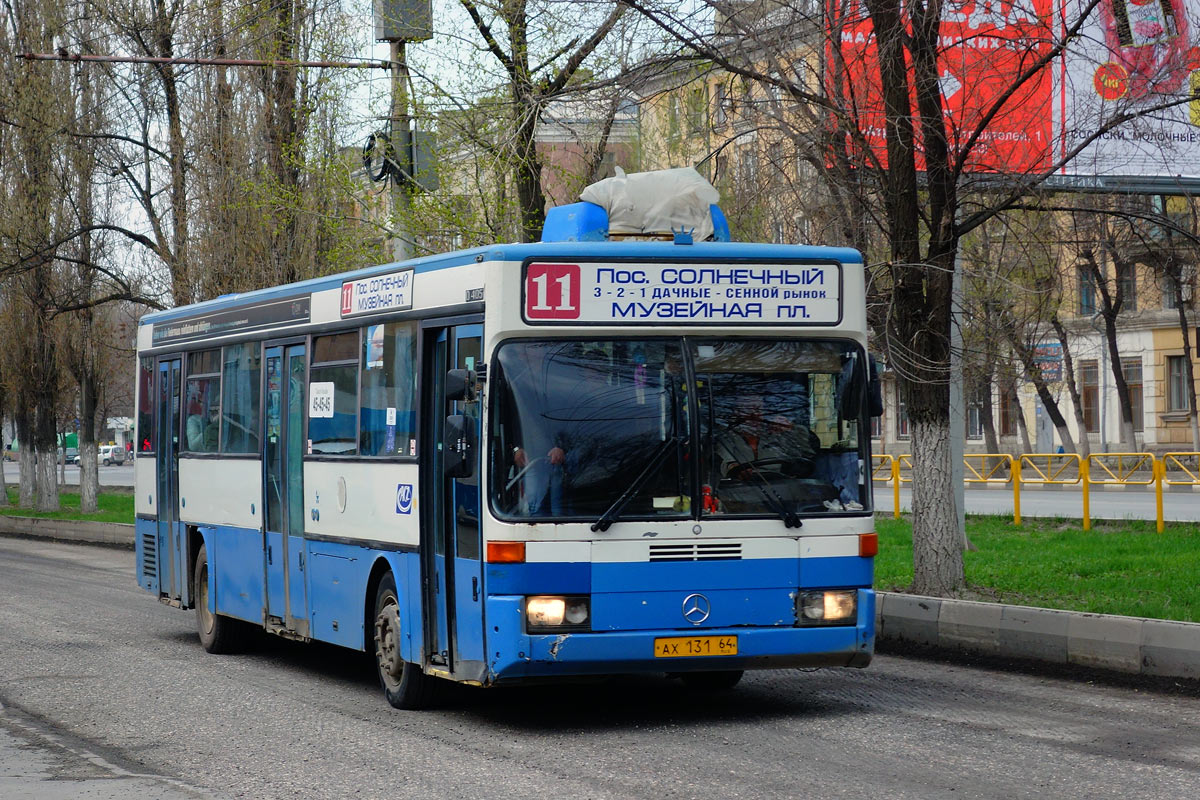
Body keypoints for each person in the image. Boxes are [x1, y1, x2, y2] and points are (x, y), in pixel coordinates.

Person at [717, 393, 815, 480]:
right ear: (736, 413)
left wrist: (791, 428)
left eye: (758, 409)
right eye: (747, 410)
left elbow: (808, 452)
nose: (754, 414)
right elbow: (724, 459)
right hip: (738, 493)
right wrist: (733, 467)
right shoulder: (726, 435)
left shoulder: (775, 434)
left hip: (780, 490)